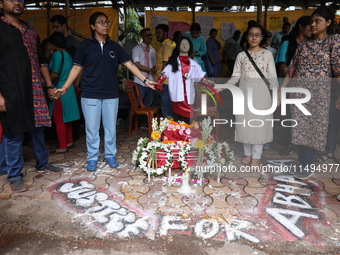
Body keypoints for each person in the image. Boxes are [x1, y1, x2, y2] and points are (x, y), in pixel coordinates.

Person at [55, 12, 156, 172]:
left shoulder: (114, 47)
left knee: (110, 127)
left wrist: (145, 80)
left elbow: (129, 64)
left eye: (106, 22)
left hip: (110, 94)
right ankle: (92, 158)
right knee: (92, 128)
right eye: (100, 22)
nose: (105, 25)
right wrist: (65, 87)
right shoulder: (85, 46)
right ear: (93, 26)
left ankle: (110, 155)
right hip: (90, 93)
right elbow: (77, 67)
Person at [0, 0, 63, 192]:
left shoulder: (31, 31)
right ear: (1, 3)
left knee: (38, 129)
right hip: (12, 90)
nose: (17, 2)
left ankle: (42, 163)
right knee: (14, 133)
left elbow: (42, 61)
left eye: (20, 0)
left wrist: (50, 85)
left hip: (35, 88)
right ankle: (15, 175)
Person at [280, 7, 340, 179]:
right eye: (312, 21)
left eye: (317, 21)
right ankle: (302, 163)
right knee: (299, 130)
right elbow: (292, 68)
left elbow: (338, 70)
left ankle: (308, 165)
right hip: (299, 93)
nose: (313, 25)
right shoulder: (304, 43)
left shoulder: (333, 42)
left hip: (319, 95)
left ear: (328, 22)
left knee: (314, 130)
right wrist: (282, 89)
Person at [225, 24, 279, 167]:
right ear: (246, 37)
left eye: (257, 35)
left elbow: (272, 77)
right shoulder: (241, 56)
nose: (254, 38)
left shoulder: (267, 54)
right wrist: (224, 86)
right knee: (245, 124)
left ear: (262, 37)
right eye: (251, 35)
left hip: (262, 95)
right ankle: (247, 155)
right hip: (244, 95)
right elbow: (235, 76)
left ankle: (256, 156)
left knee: (259, 126)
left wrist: (276, 95)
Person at [275, 16, 311, 156]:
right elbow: (282, 65)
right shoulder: (287, 42)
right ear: (301, 27)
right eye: (309, 26)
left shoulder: (312, 43)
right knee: (289, 115)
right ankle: (288, 143)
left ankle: (302, 142)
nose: (312, 29)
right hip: (289, 85)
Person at [156, 36, 208, 123]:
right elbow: (163, 75)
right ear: (178, 46)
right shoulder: (173, 63)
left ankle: (187, 134)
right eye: (182, 44)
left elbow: (201, 76)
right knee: (177, 118)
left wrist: (207, 84)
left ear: (190, 46)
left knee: (190, 116)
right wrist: (159, 84)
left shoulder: (194, 63)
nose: (184, 46)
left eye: (186, 44)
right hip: (177, 95)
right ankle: (180, 134)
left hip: (189, 96)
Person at [47, 32, 80, 153]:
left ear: (52, 43)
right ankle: (69, 141)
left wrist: (46, 82)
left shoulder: (57, 54)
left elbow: (55, 74)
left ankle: (62, 145)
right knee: (67, 118)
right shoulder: (67, 54)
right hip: (69, 89)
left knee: (58, 118)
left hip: (59, 90)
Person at [131, 28, 157, 128]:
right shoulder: (136, 49)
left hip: (151, 81)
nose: (150, 37)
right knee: (136, 105)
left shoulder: (153, 50)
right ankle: (131, 125)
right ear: (142, 37)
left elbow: (154, 66)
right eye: (147, 35)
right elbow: (136, 65)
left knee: (147, 105)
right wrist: (150, 69)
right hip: (139, 81)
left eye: (151, 35)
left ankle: (143, 124)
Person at [155, 24, 174, 118]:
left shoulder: (167, 46)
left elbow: (165, 65)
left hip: (165, 82)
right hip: (164, 82)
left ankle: (169, 129)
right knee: (166, 106)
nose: (157, 35)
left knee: (166, 107)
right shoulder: (164, 45)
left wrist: (160, 82)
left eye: (159, 33)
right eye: (156, 33)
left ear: (165, 33)